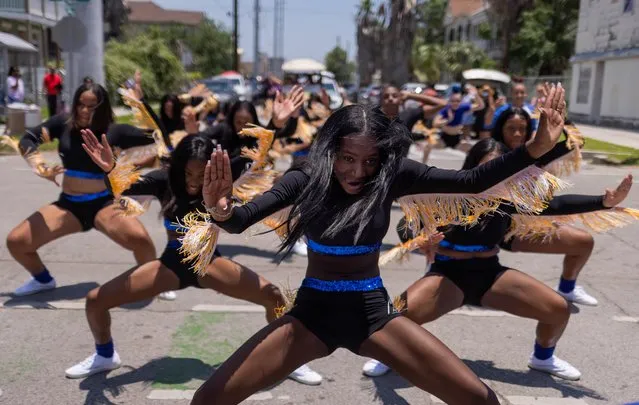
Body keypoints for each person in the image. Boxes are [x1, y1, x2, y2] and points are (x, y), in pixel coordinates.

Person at [188, 85, 569, 405]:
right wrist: (221, 210)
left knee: (481, 400)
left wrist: (534, 149)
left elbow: (472, 181)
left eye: (370, 160)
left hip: (372, 315)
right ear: (330, 150)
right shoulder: (306, 175)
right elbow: (241, 219)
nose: (358, 171)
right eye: (348, 158)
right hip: (311, 316)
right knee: (206, 400)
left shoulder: (393, 174)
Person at [361, 138, 634, 381]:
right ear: (473, 167)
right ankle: (388, 356)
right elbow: (406, 225)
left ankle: (543, 357)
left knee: (558, 309)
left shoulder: (509, 199)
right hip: (448, 276)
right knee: (394, 318)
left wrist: (604, 201)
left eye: (500, 167)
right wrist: (421, 236)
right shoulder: (447, 194)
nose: (494, 175)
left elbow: (557, 206)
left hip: (490, 275)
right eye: (487, 167)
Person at [64, 131, 322, 385]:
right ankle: (105, 355)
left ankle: (290, 360)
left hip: (210, 264)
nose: (193, 181)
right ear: (178, 167)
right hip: (171, 266)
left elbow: (256, 148)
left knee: (273, 296)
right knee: (95, 301)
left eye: (200, 175)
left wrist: (275, 122)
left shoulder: (222, 175)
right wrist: (110, 169)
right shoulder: (164, 180)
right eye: (188, 173)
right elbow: (125, 186)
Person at [6, 83, 162, 298]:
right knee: (16, 241)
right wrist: (39, 165)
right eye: (81, 104)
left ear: (103, 107)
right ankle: (43, 280)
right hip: (69, 206)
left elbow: (158, 136)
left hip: (104, 204)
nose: (84, 110)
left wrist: (141, 104)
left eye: (92, 106)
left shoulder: (115, 131)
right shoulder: (63, 124)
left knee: (141, 240)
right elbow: (29, 139)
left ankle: (153, 280)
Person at [492, 105, 598, 305]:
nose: (517, 134)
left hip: (521, 228)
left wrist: (561, 115)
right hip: (490, 231)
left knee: (583, 242)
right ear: (500, 129)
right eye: (510, 128)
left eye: (522, 129)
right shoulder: (490, 152)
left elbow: (576, 142)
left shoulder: (534, 154)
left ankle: (567, 288)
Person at [379, 84, 447, 163]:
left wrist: (410, 96)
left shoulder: (408, 114)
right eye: (386, 96)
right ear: (381, 100)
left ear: (400, 99)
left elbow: (442, 103)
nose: (390, 98)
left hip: (400, 167)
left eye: (394, 96)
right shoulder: (374, 117)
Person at [433, 85, 485, 151]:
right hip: (444, 137)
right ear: (449, 101)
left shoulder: (462, 107)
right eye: (453, 101)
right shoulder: (446, 109)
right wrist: (447, 120)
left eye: (457, 101)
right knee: (428, 146)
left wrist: (476, 94)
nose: (455, 103)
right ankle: (424, 161)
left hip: (457, 137)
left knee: (473, 150)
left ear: (461, 101)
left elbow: (481, 106)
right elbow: (435, 123)